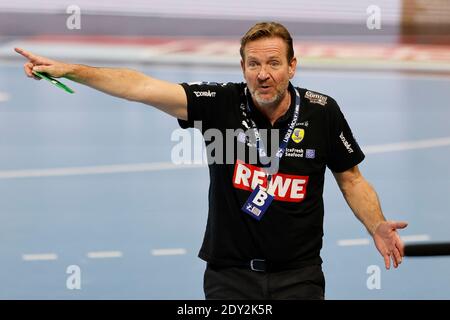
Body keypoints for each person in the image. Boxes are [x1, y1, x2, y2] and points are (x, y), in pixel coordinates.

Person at [16, 21, 408, 300]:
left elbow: (351, 179)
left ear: (292, 66)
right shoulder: (220, 103)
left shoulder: (322, 112)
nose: (263, 74)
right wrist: (71, 70)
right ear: (242, 68)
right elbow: (140, 87)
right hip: (229, 276)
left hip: (299, 277)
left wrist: (376, 224)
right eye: (253, 64)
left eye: (273, 63)